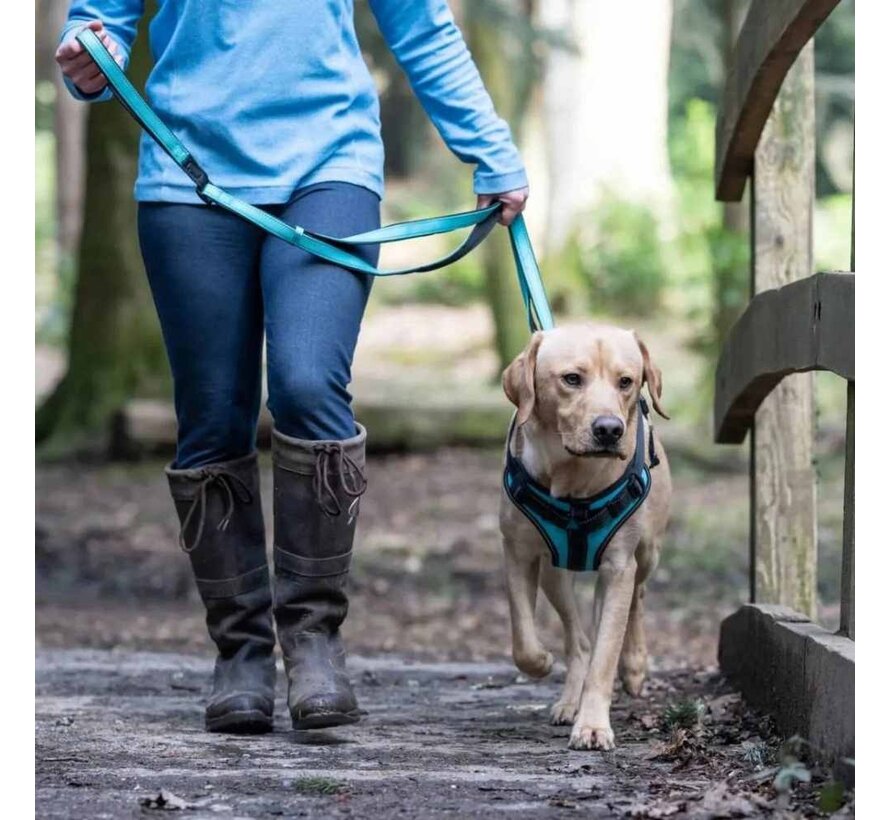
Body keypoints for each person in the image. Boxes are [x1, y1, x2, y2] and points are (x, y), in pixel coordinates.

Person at [56, 1, 528, 735]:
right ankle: (240, 653)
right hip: (188, 172)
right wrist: (92, 54)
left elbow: (420, 24)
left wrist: (489, 148)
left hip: (327, 164)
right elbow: (101, 19)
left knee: (308, 385)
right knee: (212, 416)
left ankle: (313, 640)